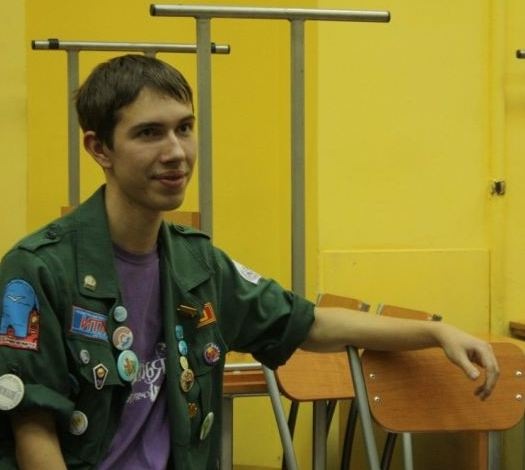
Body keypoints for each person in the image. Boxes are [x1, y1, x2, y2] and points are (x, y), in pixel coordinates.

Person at [0, 54, 498, 469]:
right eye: (149, 133)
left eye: (185, 128)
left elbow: (308, 324)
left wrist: (435, 332)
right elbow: (32, 429)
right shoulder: (39, 270)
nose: (176, 152)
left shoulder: (197, 264)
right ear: (99, 148)